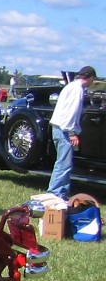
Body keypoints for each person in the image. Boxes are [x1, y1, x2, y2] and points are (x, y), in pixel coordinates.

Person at [47, 65, 97, 199]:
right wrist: (72, 133)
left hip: (58, 128)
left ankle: (62, 193)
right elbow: (71, 112)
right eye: (93, 79)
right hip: (64, 130)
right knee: (64, 164)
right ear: (90, 77)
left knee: (63, 163)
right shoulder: (78, 90)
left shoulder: (71, 86)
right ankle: (55, 193)